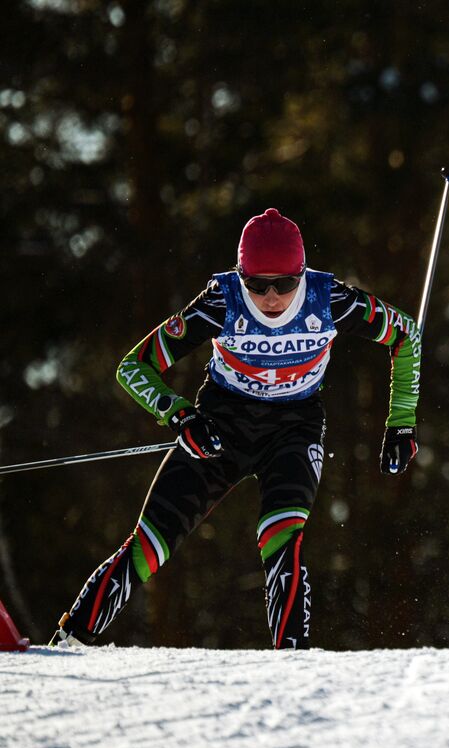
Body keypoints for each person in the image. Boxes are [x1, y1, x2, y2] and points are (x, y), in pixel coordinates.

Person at [50, 209, 423, 649]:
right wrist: (180, 415)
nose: (270, 296)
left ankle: (293, 659)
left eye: (284, 284)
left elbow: (407, 336)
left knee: (282, 538)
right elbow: (134, 367)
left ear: (301, 274)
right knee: (151, 544)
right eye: (256, 284)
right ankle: (67, 643)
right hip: (222, 424)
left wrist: (401, 424)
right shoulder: (220, 303)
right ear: (240, 276)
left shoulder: (330, 299)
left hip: (294, 427)